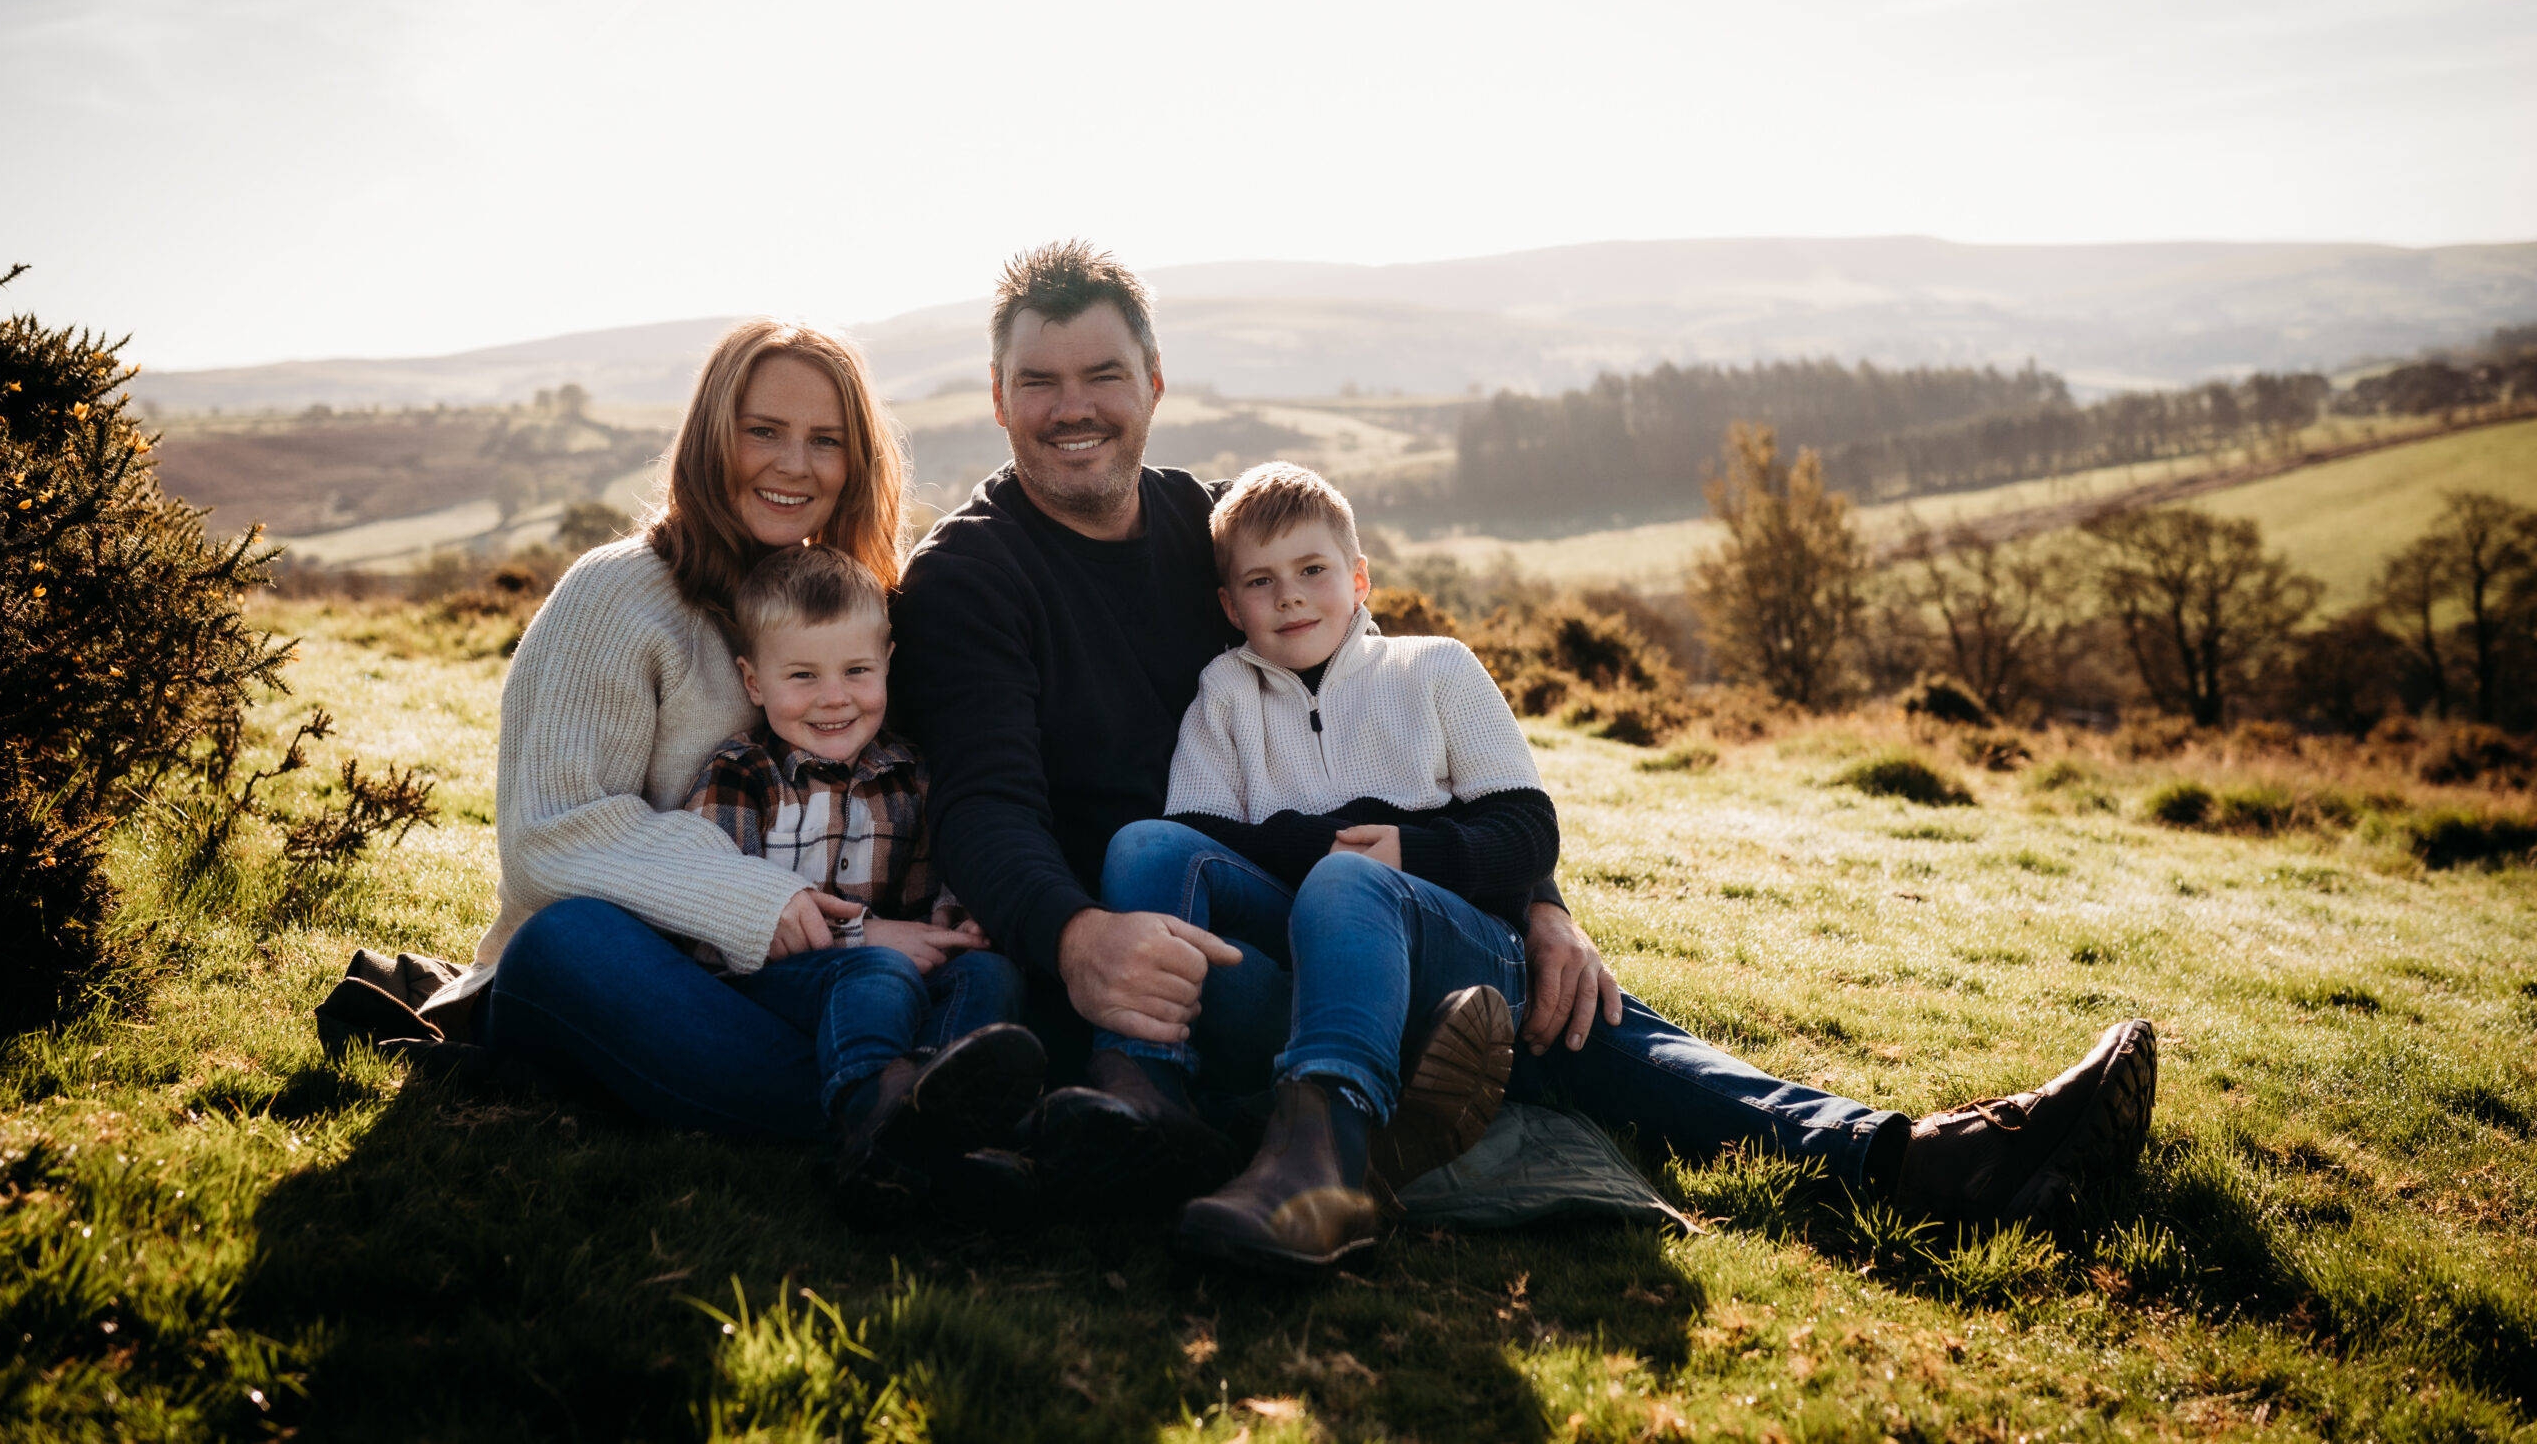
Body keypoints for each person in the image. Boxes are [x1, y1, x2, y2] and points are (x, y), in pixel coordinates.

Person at [891, 238, 2158, 1227]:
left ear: (1152, 383)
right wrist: (1076, 939)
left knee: (1562, 1003)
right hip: (1156, 969)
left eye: (1103, 373)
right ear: (997, 400)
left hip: (1314, 911)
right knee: (1491, 1002)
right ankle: (1899, 1159)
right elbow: (987, 805)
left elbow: (1411, 718)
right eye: (1039, 381)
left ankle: (1898, 1155)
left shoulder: (1207, 532)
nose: (1075, 407)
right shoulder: (972, 577)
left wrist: (1539, 899)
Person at [466, 319, 1019, 1157]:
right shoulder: (615, 596)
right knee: (565, 940)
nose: (794, 463)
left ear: (856, 461)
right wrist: (765, 904)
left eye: (825, 440)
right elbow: (548, 836)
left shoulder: (844, 610)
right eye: (763, 430)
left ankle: (910, 1111)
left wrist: (950, 907)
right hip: (641, 975)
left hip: (805, 978)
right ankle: (896, 1119)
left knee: (977, 970)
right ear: (710, 437)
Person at [1107, 461, 1538, 1270]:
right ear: (1231, 607)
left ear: (1359, 577)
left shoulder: (1434, 667)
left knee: (1346, 879)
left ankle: (1326, 1162)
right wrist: (1320, 839)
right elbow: (1198, 831)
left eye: (1313, 571)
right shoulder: (1227, 691)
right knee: (1143, 845)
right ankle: (1146, 1091)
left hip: (1463, 960)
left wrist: (1410, 848)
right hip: (1313, 954)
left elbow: (1526, 830)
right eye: (1261, 582)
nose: (1290, 597)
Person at [683, 541, 1043, 1217]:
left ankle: (953, 1120)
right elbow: (714, 921)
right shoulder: (741, 774)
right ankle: (870, 1116)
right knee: (877, 970)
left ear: (888, 665)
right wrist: (863, 937)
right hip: (770, 984)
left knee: (987, 975)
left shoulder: (908, 772)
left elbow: (933, 881)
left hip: (890, 971)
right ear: (754, 681)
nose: (834, 697)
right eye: (802, 676)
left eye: (856, 670)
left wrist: (954, 920)